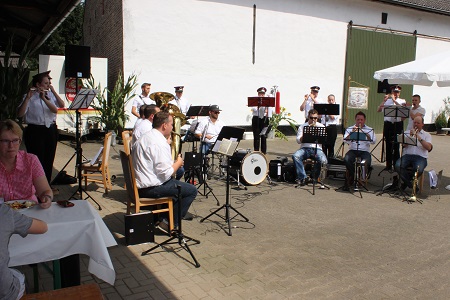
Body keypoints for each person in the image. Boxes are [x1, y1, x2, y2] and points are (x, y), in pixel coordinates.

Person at [131, 112, 197, 233]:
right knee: (191, 191)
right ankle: (168, 223)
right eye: (171, 124)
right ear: (164, 125)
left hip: (140, 184)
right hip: (150, 187)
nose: (173, 127)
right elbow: (166, 174)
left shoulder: (146, 137)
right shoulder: (159, 143)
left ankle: (161, 218)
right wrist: (178, 162)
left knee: (178, 187)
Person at [17, 71, 65, 186]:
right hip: (35, 130)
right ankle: (35, 187)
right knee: (36, 160)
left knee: (49, 160)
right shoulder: (29, 97)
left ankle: (46, 187)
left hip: (50, 129)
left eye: (49, 83)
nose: (48, 85)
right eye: (46, 83)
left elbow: (58, 107)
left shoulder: (50, 95)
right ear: (38, 85)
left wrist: (49, 94)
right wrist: (28, 98)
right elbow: (19, 114)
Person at [0, 119, 53, 208]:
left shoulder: (31, 160)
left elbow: (45, 190)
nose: (11, 146)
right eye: (5, 141)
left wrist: (47, 198)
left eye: (15, 140)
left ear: (20, 141)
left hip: (30, 211)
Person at [1, 204, 47, 300]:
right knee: (19, 277)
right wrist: (18, 217)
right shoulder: (5, 213)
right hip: (5, 292)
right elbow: (43, 227)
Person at [395, 116, 432, 192]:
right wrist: (410, 138)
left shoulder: (427, 135)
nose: (415, 124)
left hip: (420, 157)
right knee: (397, 165)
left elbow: (428, 148)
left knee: (418, 169)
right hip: (407, 155)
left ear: (422, 124)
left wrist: (418, 137)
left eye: (418, 123)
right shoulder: (407, 133)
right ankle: (411, 185)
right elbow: (404, 146)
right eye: (414, 122)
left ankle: (405, 184)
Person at [292, 109, 328, 186]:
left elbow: (324, 141)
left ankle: (314, 176)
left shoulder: (321, 126)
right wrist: (305, 135)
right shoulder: (302, 126)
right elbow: (298, 140)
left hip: (317, 149)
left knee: (323, 161)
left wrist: (318, 135)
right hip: (305, 148)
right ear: (308, 117)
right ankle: (303, 177)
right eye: (311, 118)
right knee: (295, 156)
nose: (313, 120)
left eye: (315, 118)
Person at [342, 111, 376, 191]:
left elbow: (373, 141)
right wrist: (352, 133)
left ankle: (361, 178)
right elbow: (345, 140)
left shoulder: (369, 129)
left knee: (366, 161)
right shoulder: (350, 128)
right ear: (355, 120)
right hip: (353, 150)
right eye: (358, 120)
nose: (360, 121)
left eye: (361, 120)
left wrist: (365, 134)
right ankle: (355, 177)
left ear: (364, 120)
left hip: (364, 151)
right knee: (346, 159)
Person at [377, 85, 407, 171]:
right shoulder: (388, 101)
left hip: (397, 124)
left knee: (396, 145)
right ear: (392, 92)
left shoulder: (402, 101)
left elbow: (404, 112)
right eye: (394, 92)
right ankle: (388, 164)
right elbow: (379, 110)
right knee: (388, 144)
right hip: (388, 124)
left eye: (397, 92)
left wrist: (394, 101)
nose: (396, 94)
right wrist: (384, 101)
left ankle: (396, 164)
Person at [251, 87, 273, 154]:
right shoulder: (255, 99)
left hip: (264, 119)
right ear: (258, 93)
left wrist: (268, 110)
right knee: (256, 136)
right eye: (260, 93)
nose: (262, 95)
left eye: (263, 94)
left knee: (263, 136)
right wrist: (259, 105)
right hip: (256, 118)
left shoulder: (267, 101)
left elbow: (271, 110)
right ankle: (256, 151)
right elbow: (253, 109)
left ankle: (264, 152)